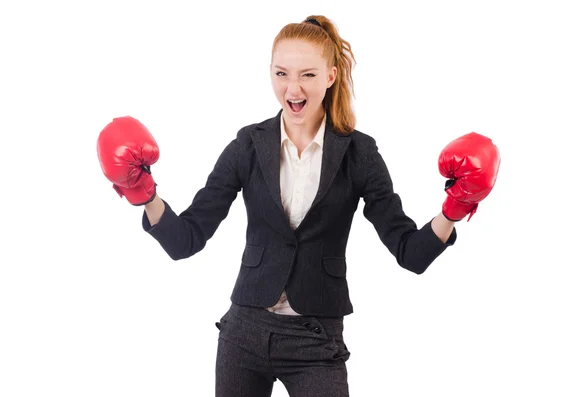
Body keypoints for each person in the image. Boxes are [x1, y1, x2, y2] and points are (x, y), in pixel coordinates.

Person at [97, 15, 500, 397]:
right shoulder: (247, 145)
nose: (293, 89)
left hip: (316, 339)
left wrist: (454, 207)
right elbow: (186, 240)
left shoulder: (359, 153)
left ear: (330, 76)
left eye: (307, 74)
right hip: (244, 332)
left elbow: (409, 253)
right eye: (281, 73)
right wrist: (144, 194)